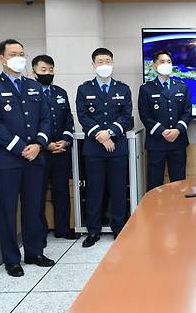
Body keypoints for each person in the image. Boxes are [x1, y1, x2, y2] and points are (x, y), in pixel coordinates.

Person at [0, 39, 55, 277]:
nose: (19, 58)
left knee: (34, 207)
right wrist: (20, 148)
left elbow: (46, 119)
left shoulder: (33, 86)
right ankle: (12, 259)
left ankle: (34, 252)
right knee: (7, 210)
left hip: (35, 157)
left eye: (22, 53)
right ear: (1, 58)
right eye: (13, 54)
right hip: (8, 161)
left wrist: (38, 144)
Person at [75, 48, 133, 247]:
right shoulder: (84, 89)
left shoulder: (123, 89)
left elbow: (126, 116)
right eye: (100, 61)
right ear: (93, 65)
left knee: (118, 189)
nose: (104, 65)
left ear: (113, 63)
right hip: (94, 148)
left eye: (107, 61)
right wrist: (101, 134)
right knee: (94, 189)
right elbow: (83, 116)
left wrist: (110, 133)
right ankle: (93, 230)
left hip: (117, 147)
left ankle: (119, 227)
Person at [32, 54, 79, 241]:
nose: (48, 73)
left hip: (61, 150)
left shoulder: (60, 92)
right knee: (39, 192)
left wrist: (65, 141)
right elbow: (30, 123)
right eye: (43, 70)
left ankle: (63, 229)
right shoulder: (30, 93)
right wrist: (46, 144)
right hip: (41, 151)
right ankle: (40, 230)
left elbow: (68, 119)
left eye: (50, 70)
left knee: (61, 191)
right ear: (33, 72)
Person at [138, 50, 192, 191]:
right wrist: (162, 131)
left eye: (169, 62)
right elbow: (144, 115)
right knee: (155, 184)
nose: (166, 64)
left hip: (178, 142)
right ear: (155, 65)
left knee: (179, 184)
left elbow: (187, 112)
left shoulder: (182, 86)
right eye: (162, 62)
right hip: (156, 143)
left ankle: (179, 212)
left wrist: (177, 130)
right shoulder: (146, 89)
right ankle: (155, 212)